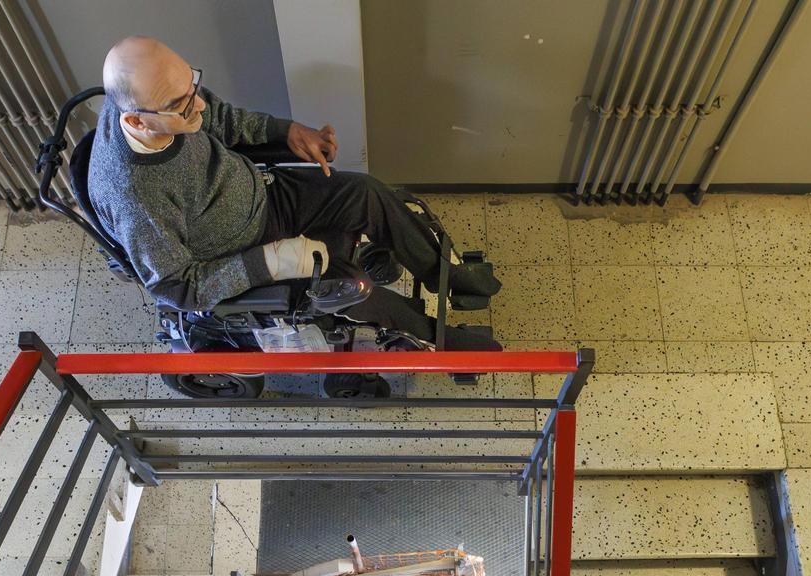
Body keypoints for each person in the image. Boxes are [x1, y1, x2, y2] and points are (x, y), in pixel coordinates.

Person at [88, 36, 502, 349]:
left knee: (365, 192)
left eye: (194, 85)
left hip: (262, 195)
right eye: (183, 104)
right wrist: (273, 260)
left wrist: (286, 132)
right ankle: (437, 336)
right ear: (137, 122)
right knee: (353, 289)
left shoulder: (161, 98)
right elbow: (178, 288)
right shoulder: (134, 197)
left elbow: (221, 119)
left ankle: (445, 275)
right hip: (241, 253)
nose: (198, 105)